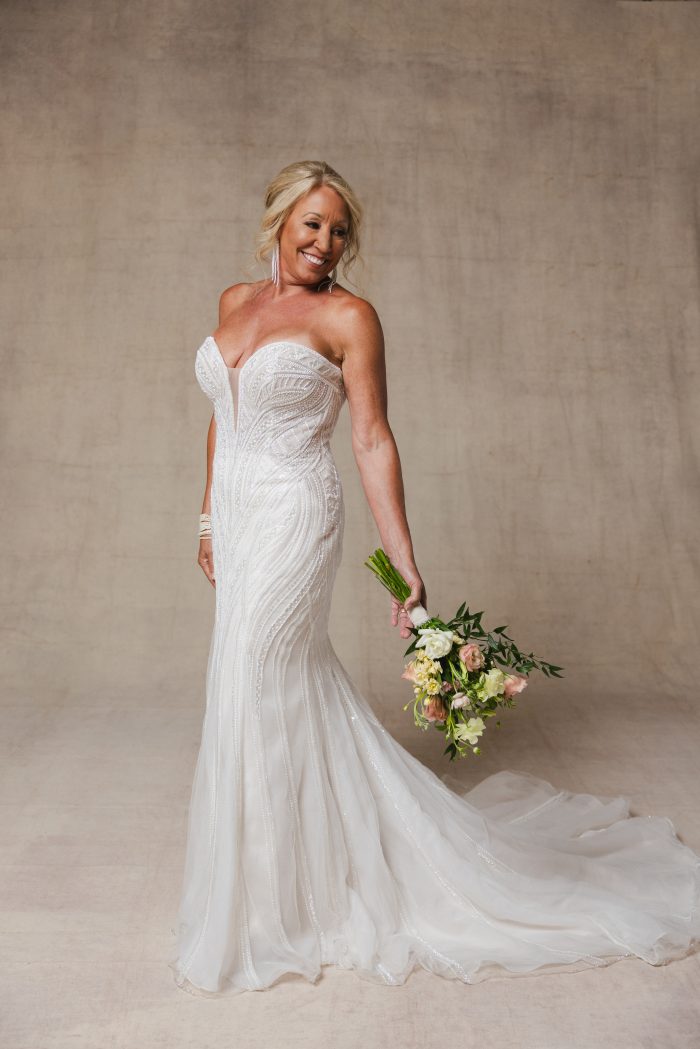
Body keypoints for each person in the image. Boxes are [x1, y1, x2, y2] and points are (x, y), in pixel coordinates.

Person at [170, 160, 700, 997]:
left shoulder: (350, 316)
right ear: (278, 220)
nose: (325, 241)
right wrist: (205, 516)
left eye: (340, 229)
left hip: (297, 512)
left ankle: (278, 911)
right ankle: (270, 887)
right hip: (236, 516)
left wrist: (404, 560)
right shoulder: (236, 302)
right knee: (254, 686)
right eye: (312, 223)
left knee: (259, 673)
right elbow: (221, 419)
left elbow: (373, 438)